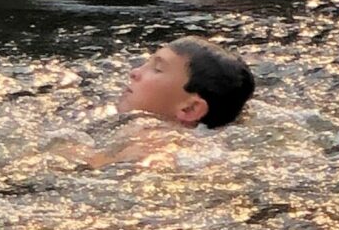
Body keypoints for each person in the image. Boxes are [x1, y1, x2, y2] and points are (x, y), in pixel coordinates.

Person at [71, 39, 256, 165]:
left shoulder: (155, 144)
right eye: (146, 63)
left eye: (157, 69)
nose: (135, 72)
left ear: (190, 109)